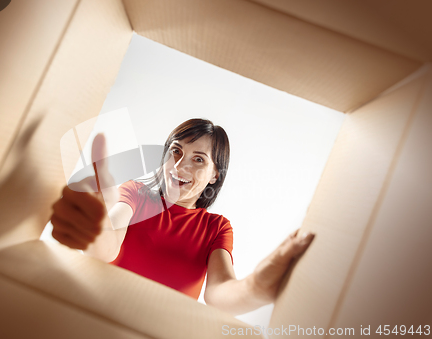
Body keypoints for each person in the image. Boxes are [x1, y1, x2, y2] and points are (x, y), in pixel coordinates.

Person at [50, 118, 315, 316]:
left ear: (215, 175)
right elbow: (109, 244)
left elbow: (219, 293)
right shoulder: (136, 194)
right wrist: (98, 227)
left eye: (198, 159)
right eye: (175, 151)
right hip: (95, 318)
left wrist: (258, 286)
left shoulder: (216, 228)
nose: (179, 166)